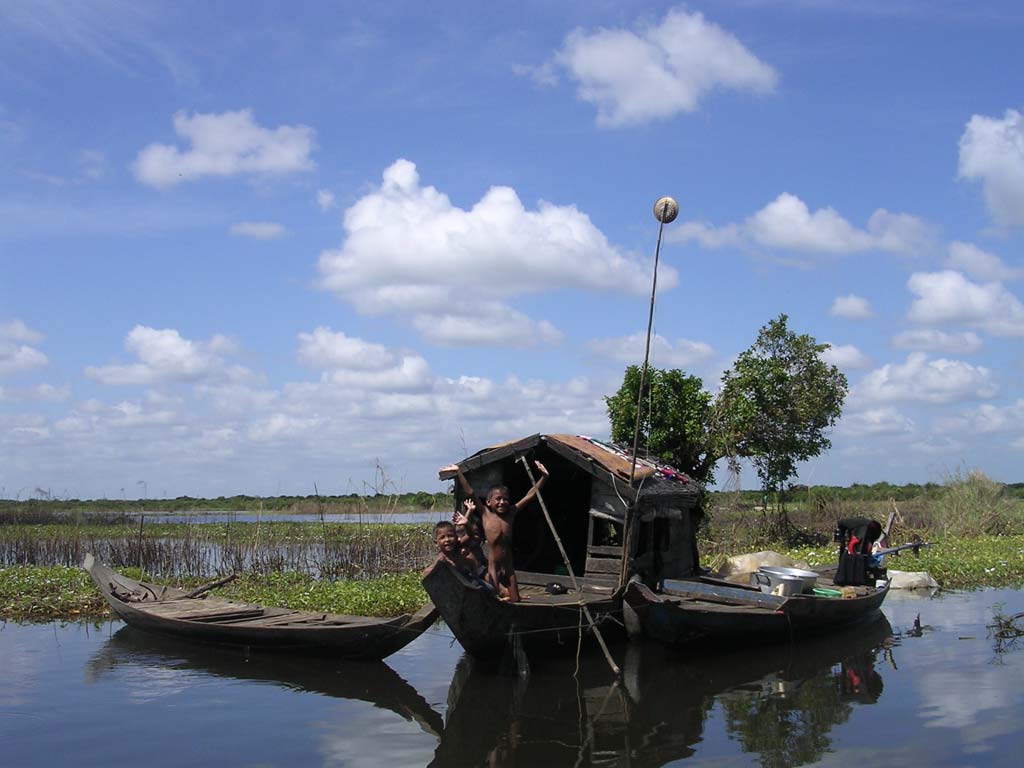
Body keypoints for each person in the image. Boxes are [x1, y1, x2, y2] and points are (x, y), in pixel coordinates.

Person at [440, 460, 549, 602]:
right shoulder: (486, 514)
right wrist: (458, 472)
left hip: (509, 565)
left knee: (516, 600)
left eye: (505, 499)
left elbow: (530, 496)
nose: (502, 502)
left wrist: (544, 477)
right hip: (494, 565)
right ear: (488, 502)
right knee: (493, 597)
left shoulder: (511, 513)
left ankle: (512, 599)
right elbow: (470, 492)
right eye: (498, 499)